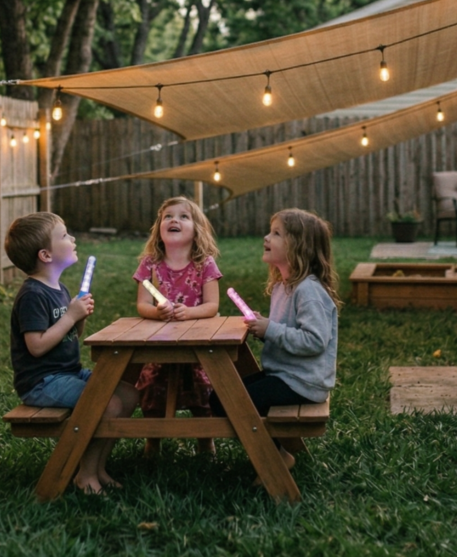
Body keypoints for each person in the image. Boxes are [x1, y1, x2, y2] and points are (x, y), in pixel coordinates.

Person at [5, 212, 138, 494]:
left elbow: (71, 335)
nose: (73, 238)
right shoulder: (33, 295)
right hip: (43, 382)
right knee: (109, 404)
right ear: (45, 254)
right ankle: (84, 474)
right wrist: (69, 316)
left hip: (68, 373)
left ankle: (99, 465)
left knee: (128, 394)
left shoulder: (60, 289)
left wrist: (79, 317)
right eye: (65, 235)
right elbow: (37, 346)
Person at [210, 208, 340, 482]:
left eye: (277, 233)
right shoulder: (284, 286)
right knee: (218, 395)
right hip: (284, 376)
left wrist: (271, 329)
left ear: (298, 247)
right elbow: (287, 331)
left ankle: (276, 456)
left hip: (302, 384)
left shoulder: (309, 291)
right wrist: (265, 326)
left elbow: (315, 341)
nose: (266, 237)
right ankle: (277, 450)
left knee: (229, 400)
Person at [134, 196, 222, 456]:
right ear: (159, 228)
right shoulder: (149, 265)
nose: (174, 220)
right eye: (168, 216)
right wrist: (157, 312)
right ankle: (153, 442)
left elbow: (212, 306)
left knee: (202, 389)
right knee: (151, 387)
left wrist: (190, 312)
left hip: (197, 345)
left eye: (184, 216)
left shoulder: (205, 264)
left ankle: (206, 442)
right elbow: (142, 304)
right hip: (160, 343)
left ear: (197, 229)